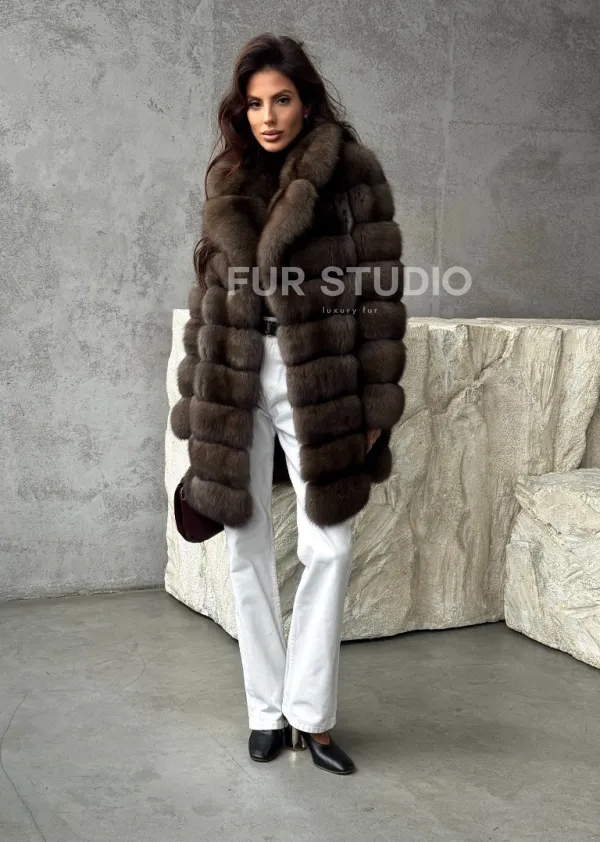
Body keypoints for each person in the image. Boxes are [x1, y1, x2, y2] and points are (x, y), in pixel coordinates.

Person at [170, 33, 407, 775]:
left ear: (306, 101)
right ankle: (266, 712)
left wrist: (375, 406)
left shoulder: (352, 174)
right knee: (244, 546)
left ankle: (312, 716)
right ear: (241, 110)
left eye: (281, 100)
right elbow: (207, 296)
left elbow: (379, 298)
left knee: (328, 545)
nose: (268, 116)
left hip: (319, 378)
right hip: (233, 377)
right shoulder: (230, 177)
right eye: (255, 103)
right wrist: (194, 395)